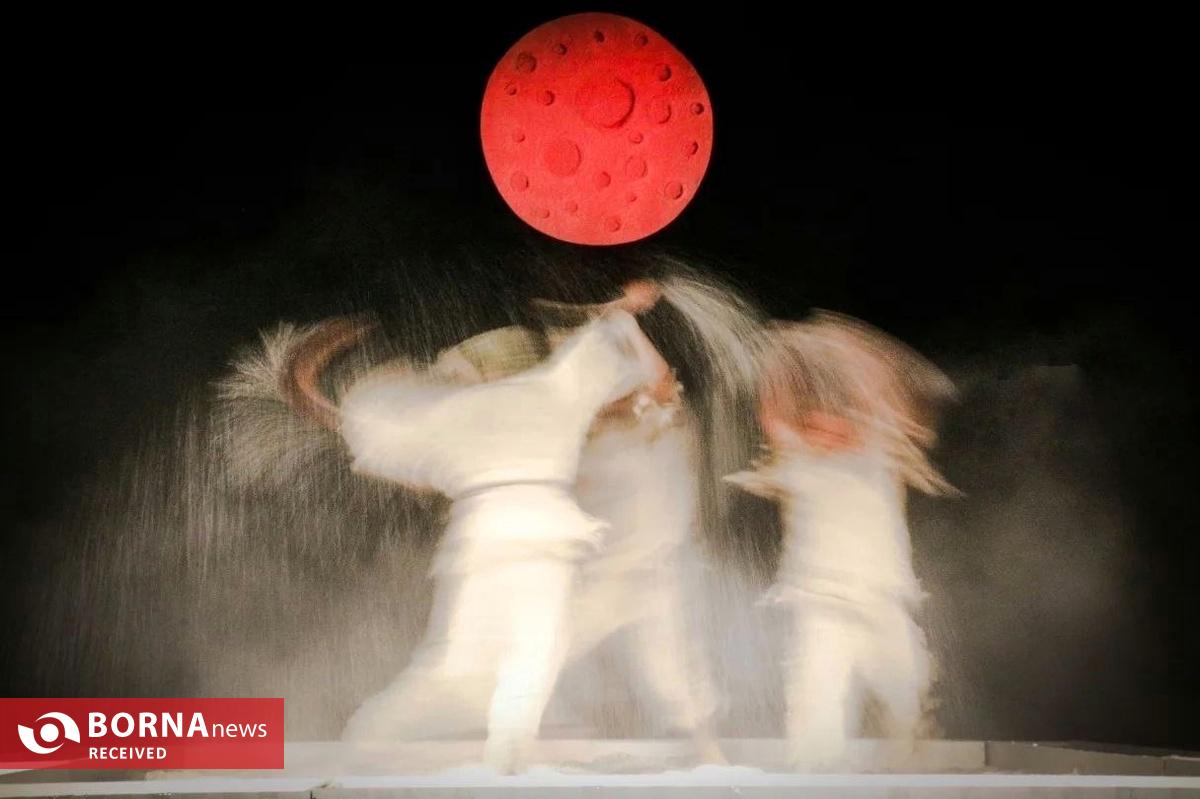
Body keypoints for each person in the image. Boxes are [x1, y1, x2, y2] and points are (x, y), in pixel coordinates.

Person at [336, 308, 670, 773]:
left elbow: (373, 428)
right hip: (539, 535)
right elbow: (647, 374)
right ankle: (504, 763)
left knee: (457, 664)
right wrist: (624, 317)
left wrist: (387, 385)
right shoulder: (555, 388)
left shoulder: (451, 411)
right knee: (531, 657)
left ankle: (371, 737)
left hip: (482, 537)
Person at [727, 312, 954, 769]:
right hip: (822, 599)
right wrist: (784, 354)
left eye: (832, 419)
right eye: (813, 421)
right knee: (817, 694)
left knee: (906, 689)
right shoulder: (797, 457)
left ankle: (911, 763)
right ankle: (813, 776)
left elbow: (886, 394)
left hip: (879, 597)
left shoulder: (876, 450)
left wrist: (843, 344)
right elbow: (772, 410)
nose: (823, 426)